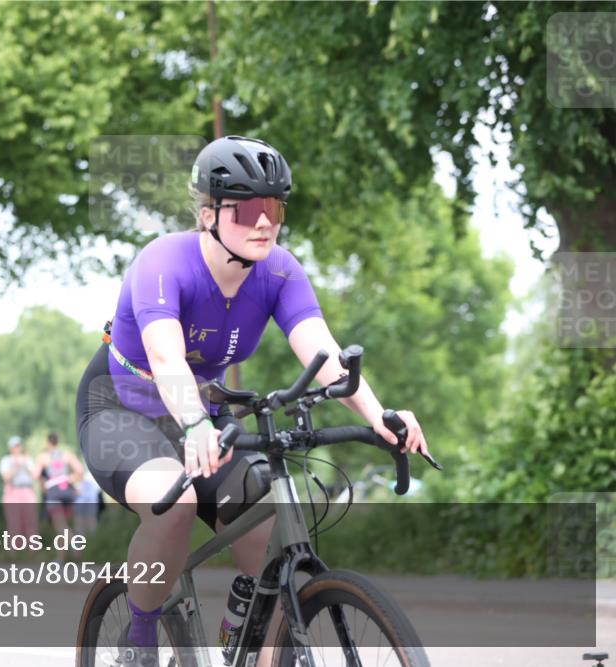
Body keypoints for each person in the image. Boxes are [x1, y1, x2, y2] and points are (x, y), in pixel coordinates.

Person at [76, 135, 431, 666]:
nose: (264, 222)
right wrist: (195, 426)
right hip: (122, 409)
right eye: (246, 209)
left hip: (205, 414)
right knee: (176, 505)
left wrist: (379, 414)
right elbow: (168, 359)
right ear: (207, 215)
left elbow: (326, 356)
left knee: (269, 517)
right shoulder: (161, 263)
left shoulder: (280, 271)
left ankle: (246, 635)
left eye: (273, 208)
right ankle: (140, 641)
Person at [34, 432, 84, 563]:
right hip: (67, 492)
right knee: (63, 527)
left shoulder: (43, 457)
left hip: (54, 492)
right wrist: (70, 479)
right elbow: (79, 470)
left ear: (48, 442)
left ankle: (74, 542)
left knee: (60, 525)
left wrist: (42, 481)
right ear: (58, 442)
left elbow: (35, 474)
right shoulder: (67, 455)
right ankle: (60, 559)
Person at [0, 436, 39, 554]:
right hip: (12, 492)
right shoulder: (6, 460)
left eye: (18, 446)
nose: (17, 448)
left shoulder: (28, 459)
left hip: (27, 491)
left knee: (30, 522)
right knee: (13, 523)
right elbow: (6, 478)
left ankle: (33, 551)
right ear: (10, 448)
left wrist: (26, 464)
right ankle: (13, 552)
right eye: (14, 446)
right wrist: (16, 465)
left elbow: (35, 476)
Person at [73, 463, 102, 540]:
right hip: (86, 493)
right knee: (86, 522)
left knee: (86, 522)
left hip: (89, 492)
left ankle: (89, 545)